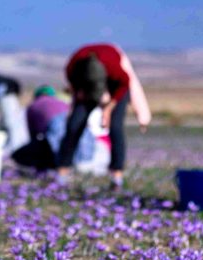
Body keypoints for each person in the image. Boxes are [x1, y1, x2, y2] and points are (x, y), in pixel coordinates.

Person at [56, 44, 151, 187]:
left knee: (115, 127)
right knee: (74, 125)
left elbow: (125, 84)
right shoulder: (74, 66)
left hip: (117, 89)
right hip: (86, 87)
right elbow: (72, 82)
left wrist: (108, 109)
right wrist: (77, 94)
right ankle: (62, 171)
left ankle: (116, 175)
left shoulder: (114, 69)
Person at [13, 85, 94, 171]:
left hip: (54, 131)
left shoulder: (33, 106)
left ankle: (53, 171)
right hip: (79, 139)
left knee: (22, 155)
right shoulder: (62, 103)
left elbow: (33, 134)